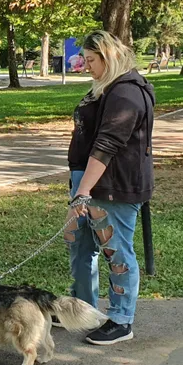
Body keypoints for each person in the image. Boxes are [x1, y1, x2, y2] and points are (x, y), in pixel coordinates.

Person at [65, 30, 155, 345]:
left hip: (110, 188)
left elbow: (107, 145)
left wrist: (83, 190)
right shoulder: (110, 88)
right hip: (91, 183)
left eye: (91, 60)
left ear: (108, 56)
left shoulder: (126, 94)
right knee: (81, 246)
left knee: (117, 252)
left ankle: (121, 320)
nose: (86, 66)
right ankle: (83, 309)